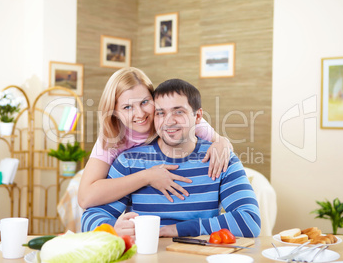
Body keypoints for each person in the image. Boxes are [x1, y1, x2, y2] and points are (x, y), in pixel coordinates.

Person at [81, 78, 261, 239]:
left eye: (178, 112)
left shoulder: (221, 158)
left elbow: (250, 221)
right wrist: (113, 228)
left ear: (197, 116)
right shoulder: (127, 161)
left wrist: (178, 229)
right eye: (160, 113)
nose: (168, 121)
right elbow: (90, 216)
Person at [78, 67, 233, 209]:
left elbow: (224, 146)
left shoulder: (177, 122)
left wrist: (223, 142)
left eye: (145, 102)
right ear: (115, 113)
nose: (140, 114)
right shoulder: (112, 138)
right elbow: (85, 197)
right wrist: (147, 176)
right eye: (127, 107)